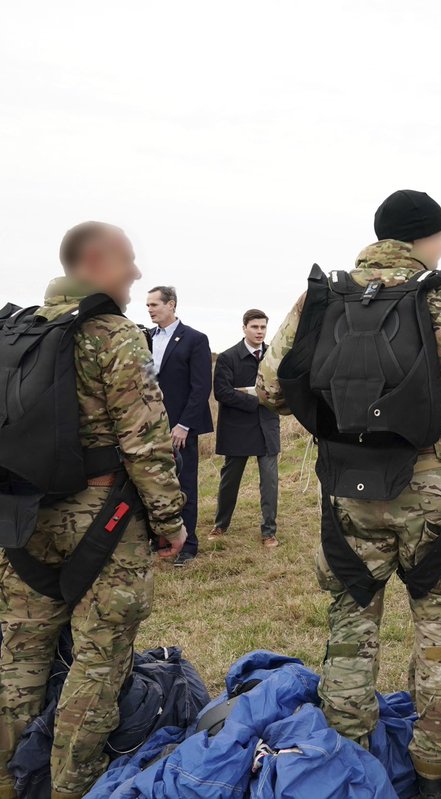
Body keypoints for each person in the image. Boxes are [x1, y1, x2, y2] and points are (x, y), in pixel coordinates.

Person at [258, 189, 441, 799]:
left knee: (349, 626)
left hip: (346, 486)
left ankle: (347, 768)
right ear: (425, 237)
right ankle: (433, 775)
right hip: (431, 492)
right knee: (440, 633)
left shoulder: (321, 297)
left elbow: (270, 387)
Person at [0, 222, 187, 799]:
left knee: (16, 660)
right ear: (98, 262)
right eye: (128, 261)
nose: (135, 273)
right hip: (103, 522)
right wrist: (170, 523)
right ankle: (69, 788)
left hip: (21, 520)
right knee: (98, 663)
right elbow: (145, 443)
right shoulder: (115, 335)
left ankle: (9, 781)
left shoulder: (14, 331)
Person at [145, 285, 213, 566]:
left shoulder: (194, 339)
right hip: (149, 427)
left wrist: (184, 424)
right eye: (147, 305)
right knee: (152, 484)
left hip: (180, 428)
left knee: (184, 485)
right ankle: (158, 539)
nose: (149, 309)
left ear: (171, 305)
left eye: (154, 305)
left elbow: (201, 387)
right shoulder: (144, 338)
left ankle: (188, 545)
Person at [210, 309, 281, 548]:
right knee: (230, 480)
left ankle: (269, 531)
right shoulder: (228, 357)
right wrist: (256, 400)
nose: (259, 332)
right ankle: (220, 525)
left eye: (263, 327)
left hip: (266, 426)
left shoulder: (274, 355)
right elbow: (222, 392)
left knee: (270, 481)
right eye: (255, 327)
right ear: (244, 328)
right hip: (237, 427)